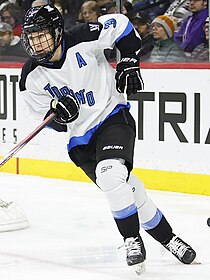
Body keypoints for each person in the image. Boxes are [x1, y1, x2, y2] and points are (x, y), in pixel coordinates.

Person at [19, 4, 196, 272]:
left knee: (110, 174)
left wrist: (128, 59)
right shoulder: (30, 76)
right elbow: (50, 122)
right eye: (32, 37)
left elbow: (123, 26)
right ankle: (169, 238)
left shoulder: (83, 36)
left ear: (57, 31)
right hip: (80, 141)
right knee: (129, 189)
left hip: (112, 116)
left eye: (41, 34)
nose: (36, 42)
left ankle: (131, 239)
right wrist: (60, 115)